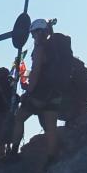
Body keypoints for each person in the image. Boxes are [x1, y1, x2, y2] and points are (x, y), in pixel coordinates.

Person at [10, 18, 71, 162]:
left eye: (33, 34)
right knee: (51, 127)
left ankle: (13, 152)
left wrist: (28, 92)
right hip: (56, 92)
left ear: (39, 32)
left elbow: (36, 72)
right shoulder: (56, 48)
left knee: (19, 118)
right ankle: (51, 158)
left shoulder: (40, 48)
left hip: (40, 93)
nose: (32, 37)